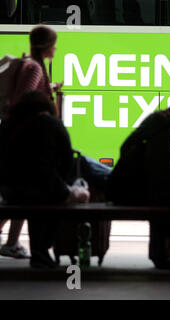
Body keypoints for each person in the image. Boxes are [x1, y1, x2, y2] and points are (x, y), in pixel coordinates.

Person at [110, 82, 170, 269]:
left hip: (152, 191)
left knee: (159, 193)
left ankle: (159, 254)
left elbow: (126, 146)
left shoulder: (154, 120)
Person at [0, 91, 89, 268]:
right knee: (56, 198)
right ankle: (41, 251)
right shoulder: (52, 124)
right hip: (45, 190)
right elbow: (67, 161)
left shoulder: (8, 125)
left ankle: (39, 253)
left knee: (39, 196)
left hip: (11, 191)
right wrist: (64, 184)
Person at [0, 25, 62, 259]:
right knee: (24, 194)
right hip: (25, 140)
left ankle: (12, 242)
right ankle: (12, 243)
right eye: (54, 43)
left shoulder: (33, 65)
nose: (56, 47)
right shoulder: (34, 67)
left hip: (20, 137)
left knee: (20, 195)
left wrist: (51, 89)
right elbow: (21, 100)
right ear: (47, 45)